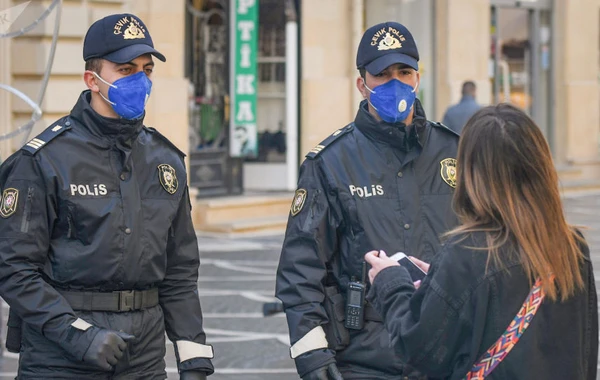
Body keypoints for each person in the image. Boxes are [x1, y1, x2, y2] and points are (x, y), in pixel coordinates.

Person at [0, 13, 214, 379]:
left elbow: (179, 269)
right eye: (126, 69)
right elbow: (13, 267)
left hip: (144, 355)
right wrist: (77, 335)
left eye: (146, 70)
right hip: (62, 357)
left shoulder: (165, 160)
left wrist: (192, 354)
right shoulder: (44, 160)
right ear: (92, 80)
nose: (141, 81)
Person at [276, 21, 460, 379]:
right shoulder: (330, 162)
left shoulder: (454, 151)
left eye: (404, 72)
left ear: (417, 78)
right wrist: (312, 354)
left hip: (446, 354)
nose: (395, 83)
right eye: (382, 74)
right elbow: (301, 269)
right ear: (363, 85)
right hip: (366, 360)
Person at [365, 103, 598, 379]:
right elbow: (585, 348)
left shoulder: (468, 252)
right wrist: (441, 282)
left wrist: (390, 283)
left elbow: (418, 348)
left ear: (472, 172)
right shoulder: (572, 245)